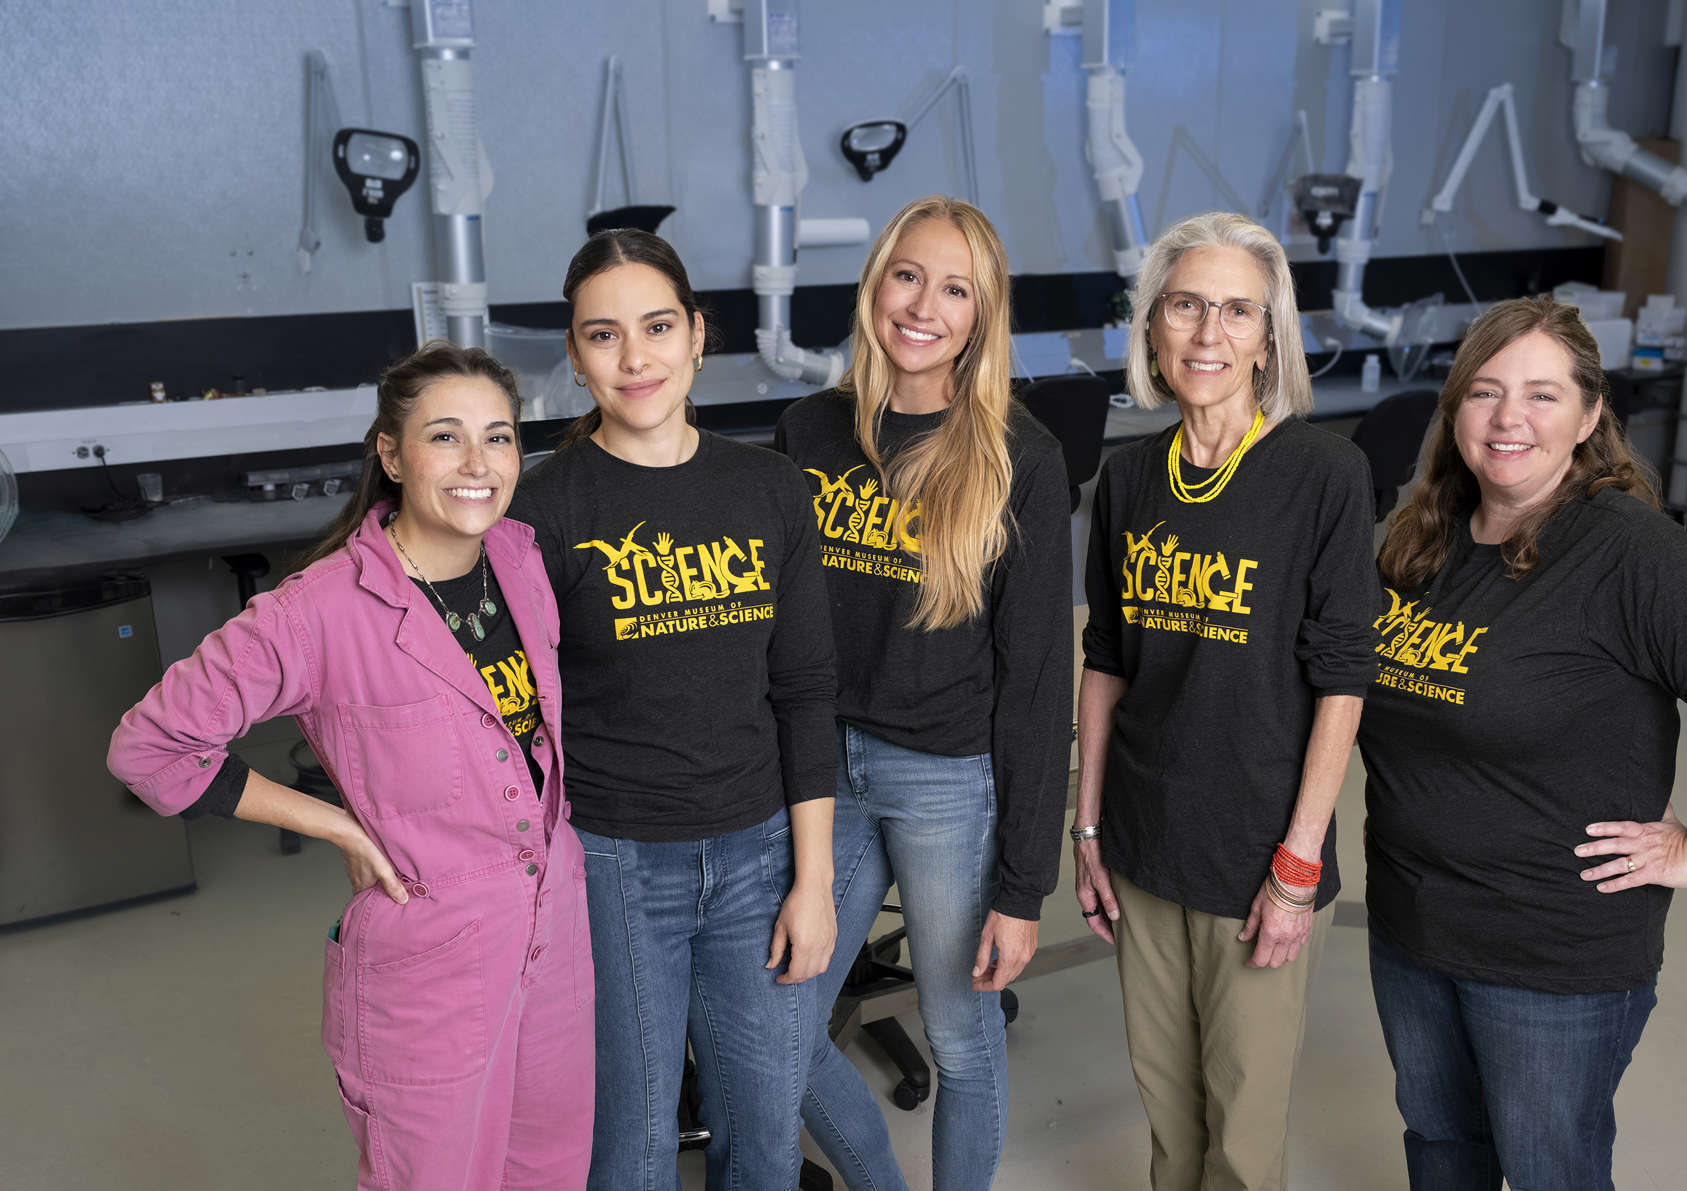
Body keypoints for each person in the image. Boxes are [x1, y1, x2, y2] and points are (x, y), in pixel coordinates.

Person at [106, 343, 593, 1190]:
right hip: (433, 955)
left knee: (549, 1168)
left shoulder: (520, 560)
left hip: (555, 930)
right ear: (392, 454)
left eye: (501, 437)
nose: (479, 463)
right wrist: (327, 817)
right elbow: (149, 747)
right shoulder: (319, 609)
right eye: (445, 437)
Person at [1359, 295, 1687, 1191]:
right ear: (1454, 411)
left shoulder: (1625, 550)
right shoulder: (1421, 540)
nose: (1509, 419)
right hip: (1414, 924)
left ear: (1590, 414)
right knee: (1442, 1146)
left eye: (1542, 394)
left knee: (1546, 1171)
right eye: (1485, 393)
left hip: (1550, 956)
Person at [509, 228, 838, 1190]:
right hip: (614, 860)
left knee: (766, 1135)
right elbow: (513, 719)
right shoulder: (543, 511)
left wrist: (811, 879)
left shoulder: (772, 489)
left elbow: (806, 690)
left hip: (761, 852)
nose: (635, 357)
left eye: (657, 327)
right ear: (575, 357)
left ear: (699, 335)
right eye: (603, 336)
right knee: (635, 1141)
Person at [774, 195, 1075, 1191]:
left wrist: (1023, 886)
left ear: (981, 317)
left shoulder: (1019, 457)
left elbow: (1036, 685)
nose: (924, 306)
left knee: (959, 1031)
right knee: (777, 1022)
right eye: (909, 276)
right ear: (876, 284)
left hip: (947, 775)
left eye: (957, 290)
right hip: (823, 770)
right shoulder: (809, 430)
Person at [1074, 211, 1380, 1190]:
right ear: (1153, 329)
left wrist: (1298, 864)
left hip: (1259, 855)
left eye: (1238, 310)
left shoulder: (1323, 475)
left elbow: (1343, 677)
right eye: (1187, 306)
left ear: (1269, 336)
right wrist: (1086, 833)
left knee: (1243, 1138)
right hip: (1143, 842)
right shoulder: (1128, 481)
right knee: (1170, 1118)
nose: (1210, 333)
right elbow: (1107, 661)